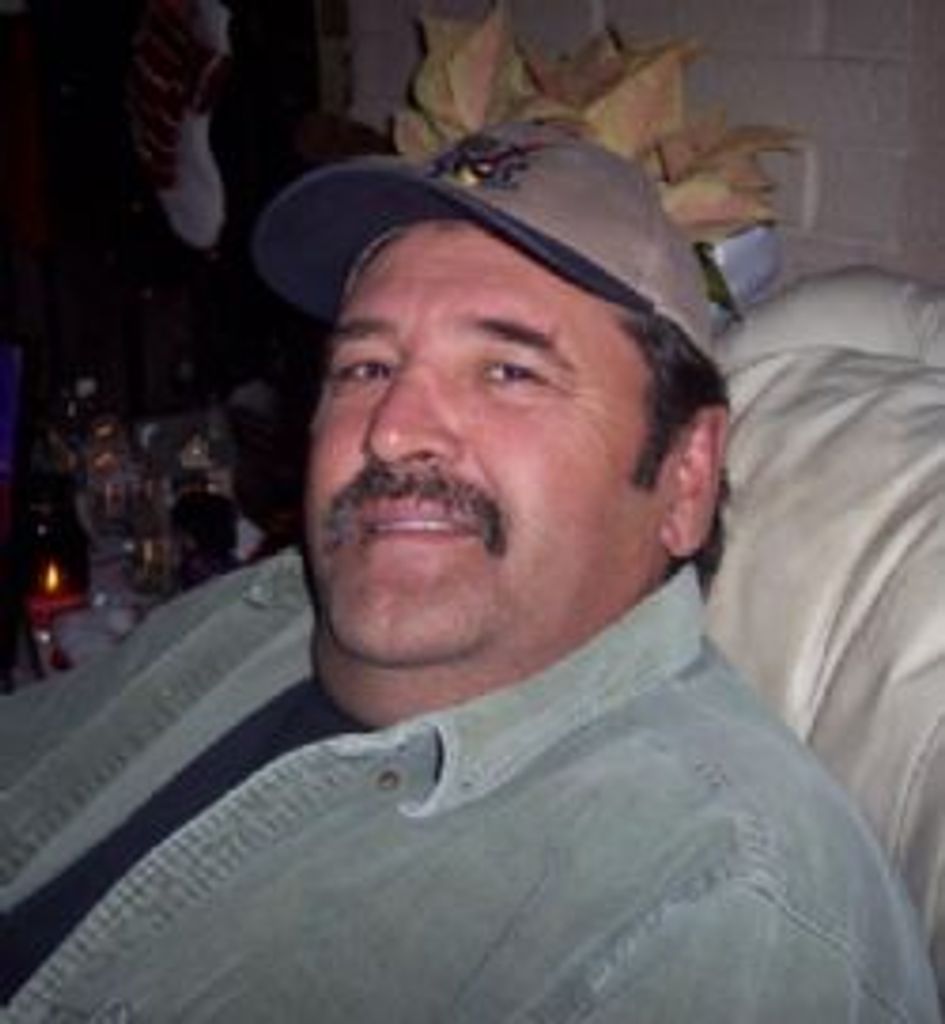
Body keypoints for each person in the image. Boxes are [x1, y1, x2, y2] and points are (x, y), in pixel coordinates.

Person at [2, 123, 939, 1021]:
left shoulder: (717, 917)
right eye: (366, 367)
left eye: (508, 372)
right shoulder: (266, 606)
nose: (392, 430)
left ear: (684, 474)